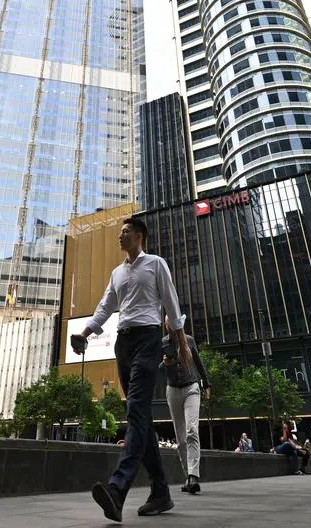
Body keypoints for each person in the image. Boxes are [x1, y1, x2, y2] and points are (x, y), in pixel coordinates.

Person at [71, 216, 190, 522]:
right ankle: (161, 492)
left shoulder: (156, 264)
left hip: (149, 338)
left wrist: (182, 344)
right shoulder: (117, 273)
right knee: (140, 417)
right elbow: (105, 306)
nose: (119, 236)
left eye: (125, 232)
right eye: (120, 233)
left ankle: (117, 489)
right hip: (123, 343)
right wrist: (84, 333)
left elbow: (171, 302)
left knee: (136, 408)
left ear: (139, 236)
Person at [161, 316, 209, 495]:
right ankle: (188, 476)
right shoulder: (162, 343)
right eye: (168, 322)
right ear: (165, 325)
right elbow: (158, 367)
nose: (171, 325)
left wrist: (207, 383)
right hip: (173, 390)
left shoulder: (188, 340)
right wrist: (166, 364)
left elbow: (198, 361)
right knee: (181, 439)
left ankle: (193, 476)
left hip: (191, 388)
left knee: (192, 430)